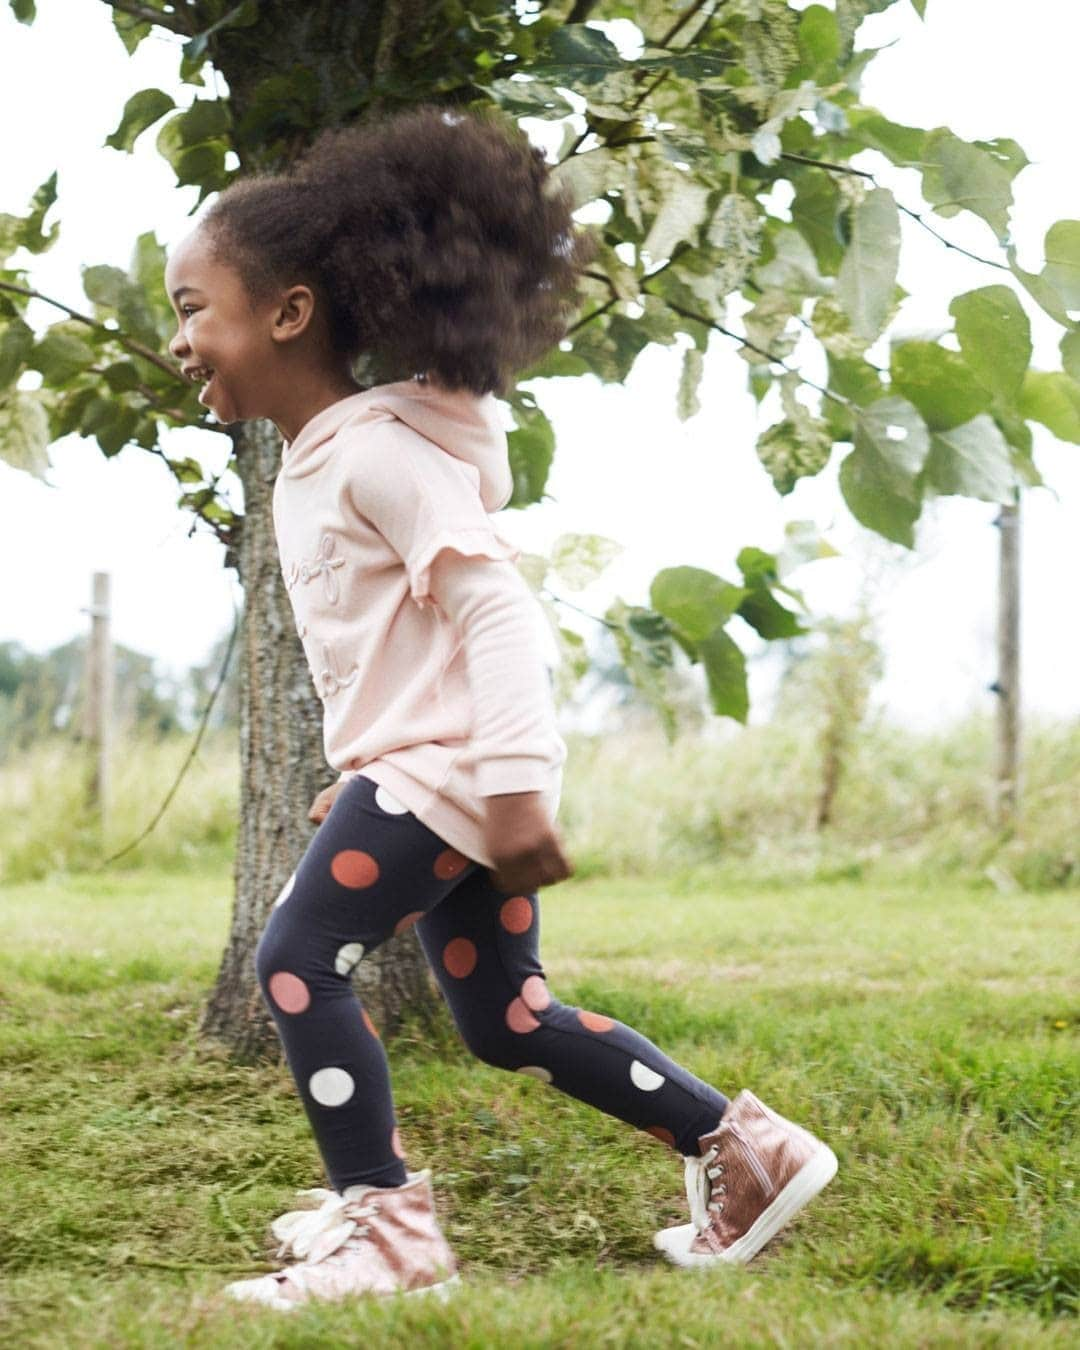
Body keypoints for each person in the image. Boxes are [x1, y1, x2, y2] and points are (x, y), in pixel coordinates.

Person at [162, 103, 837, 1312]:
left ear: (289, 312)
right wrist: (364, 771)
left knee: (299, 963)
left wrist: (513, 787)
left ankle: (386, 1231)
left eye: (189, 309)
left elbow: (497, 614)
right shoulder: (328, 458)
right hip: (432, 772)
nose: (181, 343)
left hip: (463, 775)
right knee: (505, 1015)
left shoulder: (375, 453)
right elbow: (405, 646)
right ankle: (742, 1149)